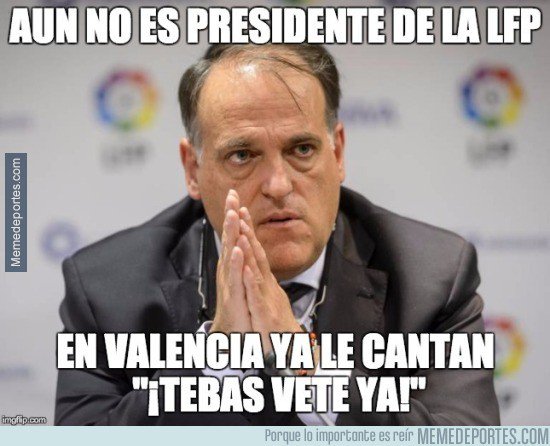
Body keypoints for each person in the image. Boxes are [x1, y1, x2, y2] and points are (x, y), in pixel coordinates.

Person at [54, 44, 500, 425]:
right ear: (193, 170)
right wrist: (215, 363)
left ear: (337, 153)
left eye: (301, 149)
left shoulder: (432, 278)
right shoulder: (106, 289)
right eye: (242, 155)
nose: (279, 185)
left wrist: (306, 368)